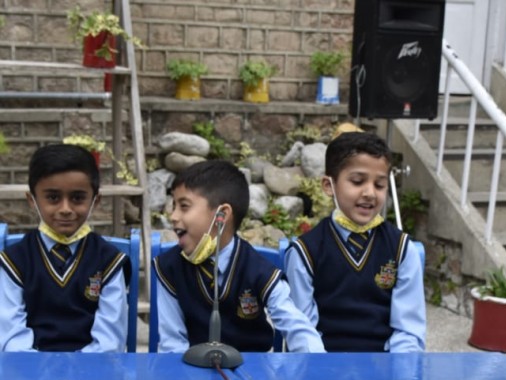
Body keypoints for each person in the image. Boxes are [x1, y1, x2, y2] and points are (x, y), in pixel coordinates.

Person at [152, 159, 325, 354]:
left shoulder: (260, 270)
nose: (173, 216)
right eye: (173, 206)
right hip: (191, 368)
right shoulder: (168, 268)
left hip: (252, 368)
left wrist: (318, 363)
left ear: (222, 215)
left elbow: (296, 326)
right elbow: (172, 344)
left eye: (184, 206)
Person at [284, 130, 426, 352]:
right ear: (329, 185)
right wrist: (322, 369)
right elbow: (303, 331)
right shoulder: (305, 252)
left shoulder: (401, 249)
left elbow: (408, 331)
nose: (370, 193)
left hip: (384, 365)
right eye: (358, 181)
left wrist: (399, 369)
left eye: (380, 185)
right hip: (324, 364)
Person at [0, 143, 131, 352]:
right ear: (32, 200)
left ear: (95, 201)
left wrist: (77, 369)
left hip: (93, 368)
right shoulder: (14, 261)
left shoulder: (109, 260)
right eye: (53, 198)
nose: (65, 209)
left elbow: (109, 342)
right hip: (30, 368)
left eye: (77, 198)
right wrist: (42, 369)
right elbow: (12, 340)